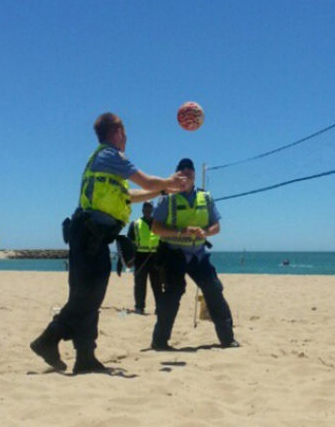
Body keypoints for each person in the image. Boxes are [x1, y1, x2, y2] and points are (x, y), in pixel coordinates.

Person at [30, 112, 187, 374]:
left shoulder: (106, 163)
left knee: (89, 297)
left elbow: (132, 194)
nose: (126, 137)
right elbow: (145, 180)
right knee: (87, 297)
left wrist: (163, 190)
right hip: (88, 234)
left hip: (93, 237)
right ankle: (48, 339)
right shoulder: (109, 155)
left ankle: (85, 358)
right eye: (124, 131)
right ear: (116, 132)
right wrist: (169, 182)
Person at [150, 158, 239, 350]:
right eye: (182, 172)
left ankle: (227, 339)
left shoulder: (205, 197)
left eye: (189, 172)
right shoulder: (167, 198)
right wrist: (181, 231)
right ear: (176, 175)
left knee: (213, 290)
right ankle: (159, 341)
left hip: (198, 254)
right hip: (173, 253)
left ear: (194, 176)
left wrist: (205, 232)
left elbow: (217, 226)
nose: (186, 175)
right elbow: (156, 228)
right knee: (173, 293)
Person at [126, 201, 162, 314]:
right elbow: (129, 242)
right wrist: (129, 258)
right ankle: (139, 307)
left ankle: (160, 308)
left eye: (149, 208)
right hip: (140, 257)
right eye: (145, 207)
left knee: (157, 284)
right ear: (142, 210)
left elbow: (164, 241)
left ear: (152, 210)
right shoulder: (135, 224)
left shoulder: (159, 223)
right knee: (140, 284)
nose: (147, 210)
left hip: (155, 256)